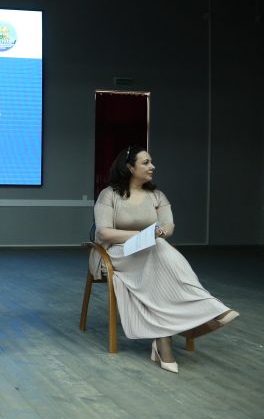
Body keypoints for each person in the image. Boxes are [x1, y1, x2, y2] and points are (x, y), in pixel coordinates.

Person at [93, 145, 239, 373]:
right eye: (146, 162)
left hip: (149, 251)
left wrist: (156, 233)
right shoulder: (109, 194)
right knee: (158, 249)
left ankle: (163, 339)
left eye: (151, 162)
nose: (152, 166)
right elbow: (103, 233)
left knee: (158, 251)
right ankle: (203, 309)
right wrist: (144, 235)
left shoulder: (157, 195)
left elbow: (168, 226)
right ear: (130, 167)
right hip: (116, 254)